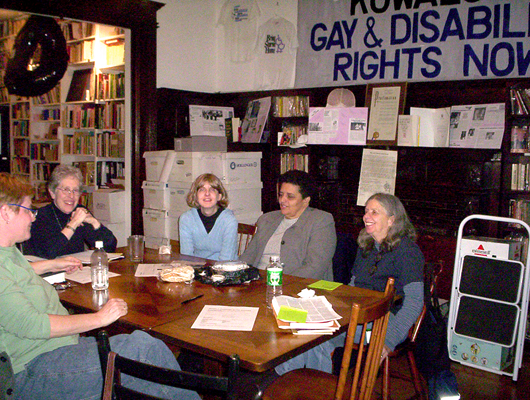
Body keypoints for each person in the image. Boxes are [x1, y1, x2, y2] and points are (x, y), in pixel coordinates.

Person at [0, 173, 200, 400]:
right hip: (31, 370)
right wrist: (99, 318)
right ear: (6, 212)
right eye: (28, 210)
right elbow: (32, 324)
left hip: (57, 349)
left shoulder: (9, 252)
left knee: (142, 370)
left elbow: (20, 271)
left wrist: (51, 264)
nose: (32, 217)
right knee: (143, 349)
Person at [275, 193, 424, 375]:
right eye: (366, 211)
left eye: (374, 212)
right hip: (357, 314)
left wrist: (388, 340)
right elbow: (353, 286)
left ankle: (313, 386)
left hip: (384, 321)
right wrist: (327, 303)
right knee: (303, 329)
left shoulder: (408, 252)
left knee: (314, 336)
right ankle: (295, 383)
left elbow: (414, 302)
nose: (366, 217)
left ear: (392, 220)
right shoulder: (367, 245)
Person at [240, 169, 336, 280]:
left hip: (298, 286)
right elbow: (248, 256)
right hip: (257, 282)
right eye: (281, 195)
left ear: (306, 200)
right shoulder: (266, 219)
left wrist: (279, 282)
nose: (282, 200)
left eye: (290, 197)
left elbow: (315, 267)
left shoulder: (321, 221)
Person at [25, 165, 117, 259]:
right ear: (52, 193)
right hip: (49, 272)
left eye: (75, 190)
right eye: (66, 190)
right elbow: (47, 254)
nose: (71, 196)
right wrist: (73, 224)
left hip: (76, 270)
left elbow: (110, 248)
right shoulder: (39, 216)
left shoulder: (79, 211)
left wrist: (94, 222)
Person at [179, 173, 238, 261]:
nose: (207, 193)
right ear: (195, 196)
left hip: (224, 270)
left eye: (212, 189)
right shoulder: (186, 219)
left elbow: (226, 259)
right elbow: (187, 257)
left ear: (219, 196)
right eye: (202, 189)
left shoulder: (229, 221)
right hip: (197, 269)